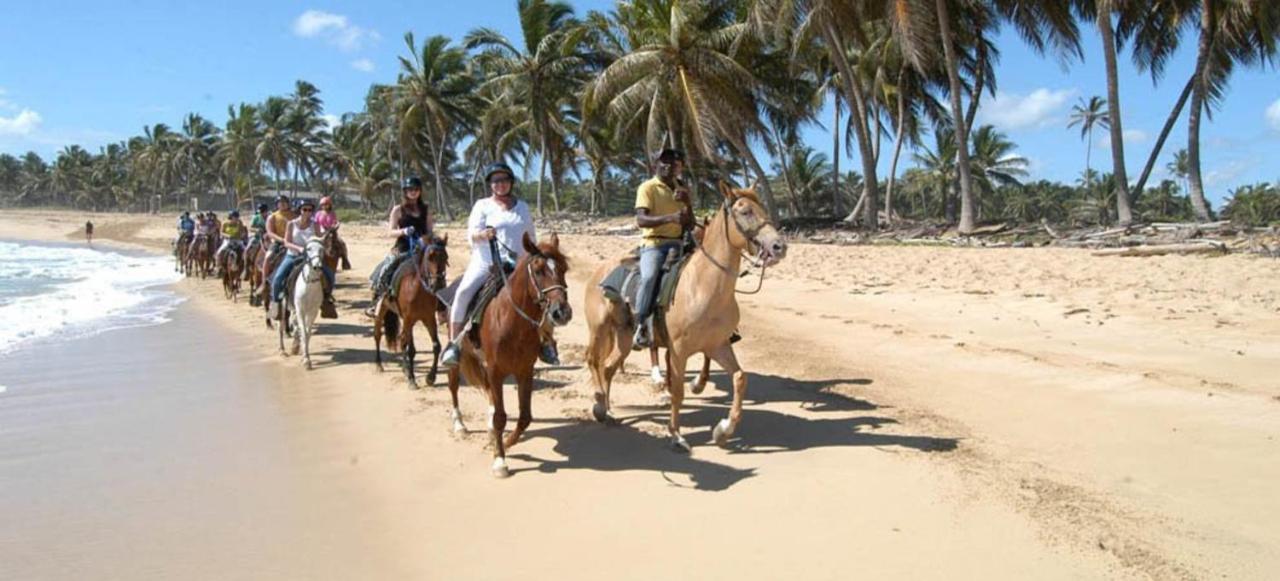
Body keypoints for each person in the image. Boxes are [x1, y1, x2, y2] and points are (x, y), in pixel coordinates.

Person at [440, 162, 557, 367]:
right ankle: (454, 344)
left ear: (511, 182)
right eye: (496, 181)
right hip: (487, 263)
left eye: (504, 180)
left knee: (546, 294)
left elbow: (531, 237)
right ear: (490, 184)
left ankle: (546, 342)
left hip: (519, 264)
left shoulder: (522, 207)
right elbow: (471, 235)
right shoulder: (482, 205)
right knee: (464, 292)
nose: (500, 184)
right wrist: (483, 234)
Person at [631, 148, 693, 349]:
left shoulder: (681, 188)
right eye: (663, 161)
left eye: (673, 162)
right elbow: (641, 220)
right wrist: (670, 218)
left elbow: (690, 223)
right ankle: (641, 325)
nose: (668, 165)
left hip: (679, 242)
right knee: (649, 277)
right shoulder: (647, 187)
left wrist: (688, 203)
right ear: (655, 164)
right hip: (654, 245)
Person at [367, 177, 433, 316]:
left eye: (416, 189)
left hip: (422, 248)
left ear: (420, 191)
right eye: (410, 190)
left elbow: (430, 231)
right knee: (386, 268)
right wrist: (403, 231)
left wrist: (424, 239)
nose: (413, 192)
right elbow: (390, 232)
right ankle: (377, 300)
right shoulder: (398, 210)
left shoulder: (426, 210)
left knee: (437, 270)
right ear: (405, 192)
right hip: (403, 247)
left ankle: (441, 308)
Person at [269, 199, 337, 319]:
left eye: (310, 210)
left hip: (310, 257)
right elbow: (287, 242)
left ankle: (326, 300)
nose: (307, 212)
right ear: (299, 210)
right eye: (304, 209)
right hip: (293, 255)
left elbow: (319, 238)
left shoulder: (315, 225)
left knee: (329, 275)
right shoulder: (291, 224)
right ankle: (275, 304)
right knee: (278, 278)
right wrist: (299, 248)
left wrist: (330, 231)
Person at [259, 195, 295, 296]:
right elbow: (270, 232)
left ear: (288, 203)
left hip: (294, 243)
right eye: (280, 202)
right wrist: (281, 240)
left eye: (284, 202)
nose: (282, 204)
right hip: (278, 242)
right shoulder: (272, 216)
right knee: (268, 257)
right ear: (277, 204)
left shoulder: (295, 215)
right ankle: (264, 283)